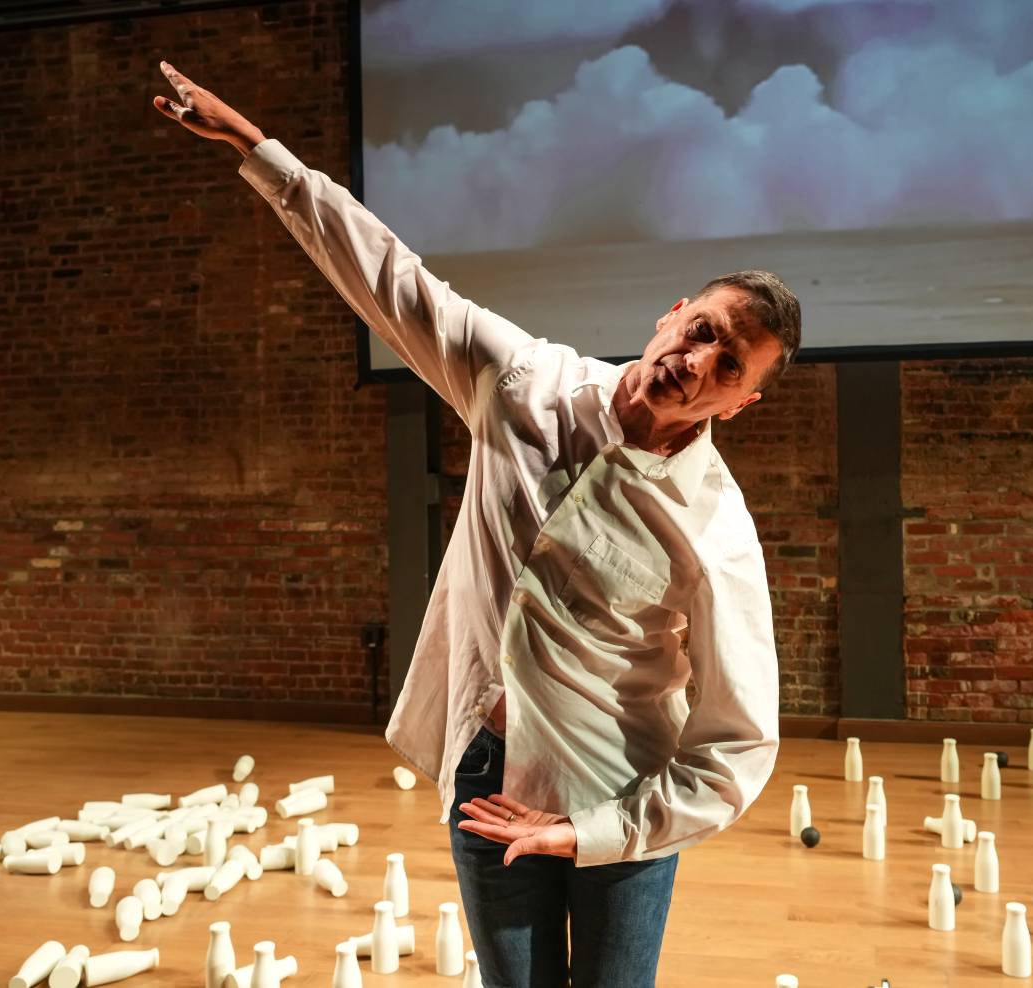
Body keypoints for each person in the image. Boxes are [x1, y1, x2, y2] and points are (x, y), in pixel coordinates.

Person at [153, 61, 801, 988]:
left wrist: (591, 830)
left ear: (738, 404)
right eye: (700, 329)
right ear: (669, 317)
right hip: (487, 776)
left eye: (728, 365)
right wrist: (262, 155)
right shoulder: (522, 383)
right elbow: (392, 279)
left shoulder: (716, 527)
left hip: (617, 799)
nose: (698, 361)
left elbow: (739, 741)